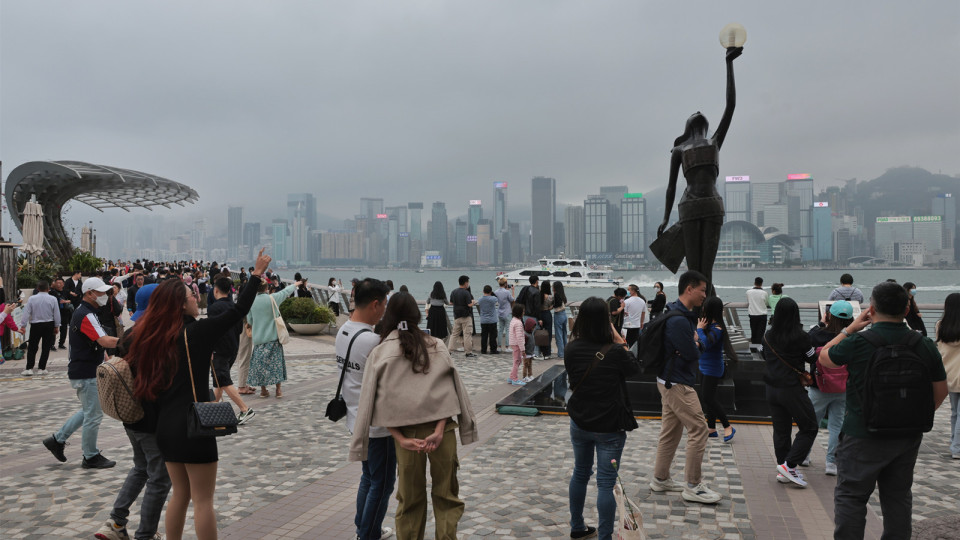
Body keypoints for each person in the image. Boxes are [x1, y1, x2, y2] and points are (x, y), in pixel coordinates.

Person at [123, 251, 266, 540]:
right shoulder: (196, 333)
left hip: (166, 427)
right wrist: (255, 275)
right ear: (180, 304)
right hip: (194, 426)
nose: (196, 298)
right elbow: (238, 310)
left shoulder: (149, 338)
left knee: (179, 495)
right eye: (192, 295)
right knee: (203, 501)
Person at [819, 281, 947, 540]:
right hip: (906, 436)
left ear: (871, 309)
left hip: (861, 433)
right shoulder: (923, 344)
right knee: (898, 498)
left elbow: (825, 358)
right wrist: (910, 414)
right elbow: (941, 391)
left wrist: (849, 329)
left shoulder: (859, 341)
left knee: (852, 497)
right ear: (907, 309)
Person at [349, 292, 478, 540]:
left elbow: (373, 402)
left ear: (389, 316)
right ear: (417, 316)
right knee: (447, 496)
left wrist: (399, 439)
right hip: (442, 433)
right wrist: (440, 429)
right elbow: (451, 390)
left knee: (409, 500)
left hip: (406, 437)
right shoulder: (436, 345)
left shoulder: (380, 352)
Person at [652, 45, 743, 295]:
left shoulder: (715, 142)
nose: (698, 112)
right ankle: (696, 310)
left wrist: (729, 64)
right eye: (694, 114)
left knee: (707, 269)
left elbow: (731, 106)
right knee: (694, 269)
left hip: (711, 206)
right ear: (688, 125)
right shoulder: (679, 150)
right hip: (690, 207)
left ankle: (709, 310)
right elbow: (671, 186)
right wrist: (665, 217)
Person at [94, 284, 171, 540]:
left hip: (130, 415)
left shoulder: (130, 335)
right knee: (159, 478)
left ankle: (116, 522)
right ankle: (145, 535)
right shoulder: (156, 338)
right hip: (151, 419)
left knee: (141, 468)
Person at [563, 296, 639, 540]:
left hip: (580, 421)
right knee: (606, 483)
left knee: (580, 473)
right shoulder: (615, 351)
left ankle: (577, 527)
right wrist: (620, 341)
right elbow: (635, 369)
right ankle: (604, 536)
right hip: (609, 426)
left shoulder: (571, 348)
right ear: (606, 321)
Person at [649, 270, 721, 504]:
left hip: (668, 379)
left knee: (670, 432)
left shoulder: (677, 313)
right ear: (689, 289)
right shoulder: (680, 320)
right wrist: (697, 344)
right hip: (678, 382)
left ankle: (660, 479)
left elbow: (689, 349)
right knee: (699, 429)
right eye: (702, 290)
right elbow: (692, 353)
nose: (705, 295)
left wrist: (694, 343)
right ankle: (693, 485)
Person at [337, 278, 395, 540]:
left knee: (368, 478)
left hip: (355, 418)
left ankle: (363, 529)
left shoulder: (344, 330)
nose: (384, 310)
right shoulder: (373, 341)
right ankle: (368, 534)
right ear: (375, 304)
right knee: (381, 485)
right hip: (377, 425)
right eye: (384, 305)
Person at [43, 277, 119, 469]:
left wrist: (106, 360)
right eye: (101, 292)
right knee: (94, 415)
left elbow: (96, 342)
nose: (105, 295)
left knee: (89, 411)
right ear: (90, 293)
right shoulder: (86, 314)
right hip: (86, 371)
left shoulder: (87, 312)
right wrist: (134, 340)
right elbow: (104, 341)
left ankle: (57, 439)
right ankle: (90, 456)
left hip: (85, 369)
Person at [759, 298, 818, 487]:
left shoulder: (768, 335)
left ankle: (783, 469)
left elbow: (763, 354)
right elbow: (812, 357)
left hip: (771, 388)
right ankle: (790, 465)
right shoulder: (801, 337)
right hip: (791, 389)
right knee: (809, 427)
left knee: (781, 430)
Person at [806, 300, 854, 476]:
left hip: (819, 386)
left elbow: (807, 345)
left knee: (812, 422)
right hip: (842, 387)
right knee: (837, 425)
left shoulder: (817, 334)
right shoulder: (853, 337)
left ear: (828, 315)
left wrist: (821, 324)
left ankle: (804, 455)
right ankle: (831, 463)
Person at [208, 276, 255, 425]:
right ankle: (212, 410)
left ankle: (244, 409)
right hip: (233, 347)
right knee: (218, 380)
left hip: (219, 349)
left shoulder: (214, 308)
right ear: (229, 290)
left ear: (216, 290)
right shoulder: (234, 307)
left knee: (223, 379)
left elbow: (212, 330)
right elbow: (239, 328)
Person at [246, 273, 301, 398]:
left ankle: (263, 390)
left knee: (261, 366)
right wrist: (295, 284)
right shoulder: (272, 298)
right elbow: (285, 292)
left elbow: (249, 320)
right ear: (267, 288)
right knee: (276, 365)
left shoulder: (251, 302)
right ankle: (278, 390)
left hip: (259, 340)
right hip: (273, 338)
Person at [697, 296, 734, 442]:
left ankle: (727, 426)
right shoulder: (707, 324)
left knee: (708, 397)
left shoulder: (718, 328)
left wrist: (699, 330)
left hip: (713, 368)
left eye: (705, 306)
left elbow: (705, 343)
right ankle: (711, 428)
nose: (703, 308)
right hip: (703, 365)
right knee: (707, 397)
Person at [19, 280, 60, 376]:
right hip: (49, 324)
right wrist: (56, 325)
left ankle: (29, 368)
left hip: (35, 324)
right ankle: (42, 368)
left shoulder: (32, 299)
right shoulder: (53, 299)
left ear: (38, 289)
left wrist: (23, 325)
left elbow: (26, 312)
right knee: (46, 346)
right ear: (48, 289)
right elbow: (56, 313)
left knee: (32, 346)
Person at [936, 292, 960, 459]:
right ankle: (957, 447)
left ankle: (954, 443)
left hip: (948, 374)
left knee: (954, 412)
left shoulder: (940, 326)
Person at [448, 275, 477, 358]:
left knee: (454, 334)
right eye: (468, 282)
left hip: (457, 316)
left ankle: (449, 351)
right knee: (467, 334)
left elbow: (451, 303)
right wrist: (473, 302)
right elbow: (469, 304)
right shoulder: (466, 293)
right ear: (465, 283)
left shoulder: (454, 292)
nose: (468, 284)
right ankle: (468, 352)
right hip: (466, 316)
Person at [621, 284, 646, 350]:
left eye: (628, 289)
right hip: (636, 326)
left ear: (633, 291)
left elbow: (623, 313)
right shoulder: (642, 301)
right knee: (634, 344)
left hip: (626, 326)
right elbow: (643, 313)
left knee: (625, 344)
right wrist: (642, 322)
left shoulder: (627, 301)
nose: (627, 291)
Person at [494, 278, 515, 353]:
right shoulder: (507, 292)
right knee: (508, 330)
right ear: (505, 283)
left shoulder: (496, 292)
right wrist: (513, 290)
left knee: (500, 330)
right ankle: (507, 347)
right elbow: (512, 299)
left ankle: (499, 346)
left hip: (500, 312)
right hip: (507, 312)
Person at [51, 277, 73, 349]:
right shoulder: (52, 292)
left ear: (63, 284)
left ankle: (61, 343)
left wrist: (65, 301)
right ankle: (52, 344)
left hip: (64, 312)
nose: (58, 285)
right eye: (57, 283)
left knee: (64, 329)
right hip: (55, 312)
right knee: (54, 328)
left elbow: (72, 300)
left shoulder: (66, 292)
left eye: (60, 283)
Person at [508, 304, 527, 385]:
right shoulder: (518, 323)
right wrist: (523, 349)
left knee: (517, 360)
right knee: (517, 361)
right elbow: (519, 337)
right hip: (517, 344)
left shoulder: (513, 320)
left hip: (513, 343)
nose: (524, 313)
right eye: (523, 311)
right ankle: (514, 379)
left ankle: (511, 377)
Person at [746, 277, 768, 347]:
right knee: (761, 334)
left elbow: (748, 301)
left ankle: (753, 348)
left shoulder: (748, 292)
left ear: (754, 283)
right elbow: (766, 303)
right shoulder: (765, 293)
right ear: (761, 284)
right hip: (762, 315)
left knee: (753, 333)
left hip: (752, 314)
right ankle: (760, 349)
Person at [477, 285, 499, 355]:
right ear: (490, 291)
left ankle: (483, 350)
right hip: (492, 320)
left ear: (483, 291)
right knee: (493, 336)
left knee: (484, 336)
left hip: (483, 320)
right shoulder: (493, 299)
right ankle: (493, 350)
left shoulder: (480, 299)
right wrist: (492, 293)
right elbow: (497, 298)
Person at [552, 281, 568, 359]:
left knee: (558, 335)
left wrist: (552, 306)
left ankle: (561, 353)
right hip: (564, 314)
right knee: (564, 334)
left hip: (558, 315)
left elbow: (557, 304)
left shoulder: (556, 295)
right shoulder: (562, 294)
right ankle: (566, 352)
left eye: (553, 286)